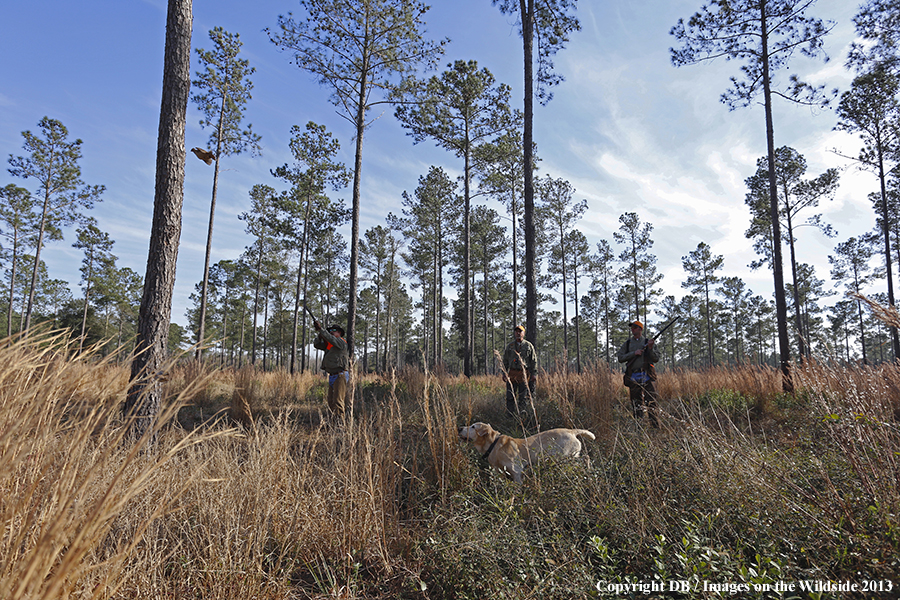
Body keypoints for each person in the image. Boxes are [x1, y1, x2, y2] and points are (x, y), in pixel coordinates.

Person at [617, 320, 661, 428]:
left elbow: (656, 359)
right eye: (632, 327)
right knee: (636, 403)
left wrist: (650, 348)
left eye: (635, 327)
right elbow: (620, 358)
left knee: (651, 402)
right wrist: (634, 353)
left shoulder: (648, 342)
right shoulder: (627, 344)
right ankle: (639, 427)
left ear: (640, 329)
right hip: (633, 376)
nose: (633, 329)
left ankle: (655, 427)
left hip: (647, 376)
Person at [313, 321, 350, 414]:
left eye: (334, 330)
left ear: (339, 333)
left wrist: (321, 330)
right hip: (332, 375)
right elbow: (317, 345)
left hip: (340, 375)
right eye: (330, 330)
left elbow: (331, 339)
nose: (332, 332)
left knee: (338, 402)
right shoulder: (329, 345)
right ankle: (333, 424)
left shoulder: (341, 342)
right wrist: (319, 336)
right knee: (331, 402)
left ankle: (340, 426)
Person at [502, 325, 538, 416]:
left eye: (520, 331)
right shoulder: (510, 346)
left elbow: (533, 361)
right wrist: (504, 373)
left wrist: (534, 374)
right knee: (510, 395)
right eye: (516, 331)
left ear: (524, 333)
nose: (518, 333)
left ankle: (522, 415)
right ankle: (510, 415)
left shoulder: (529, 346)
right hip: (512, 373)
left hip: (524, 374)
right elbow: (505, 361)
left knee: (523, 396)